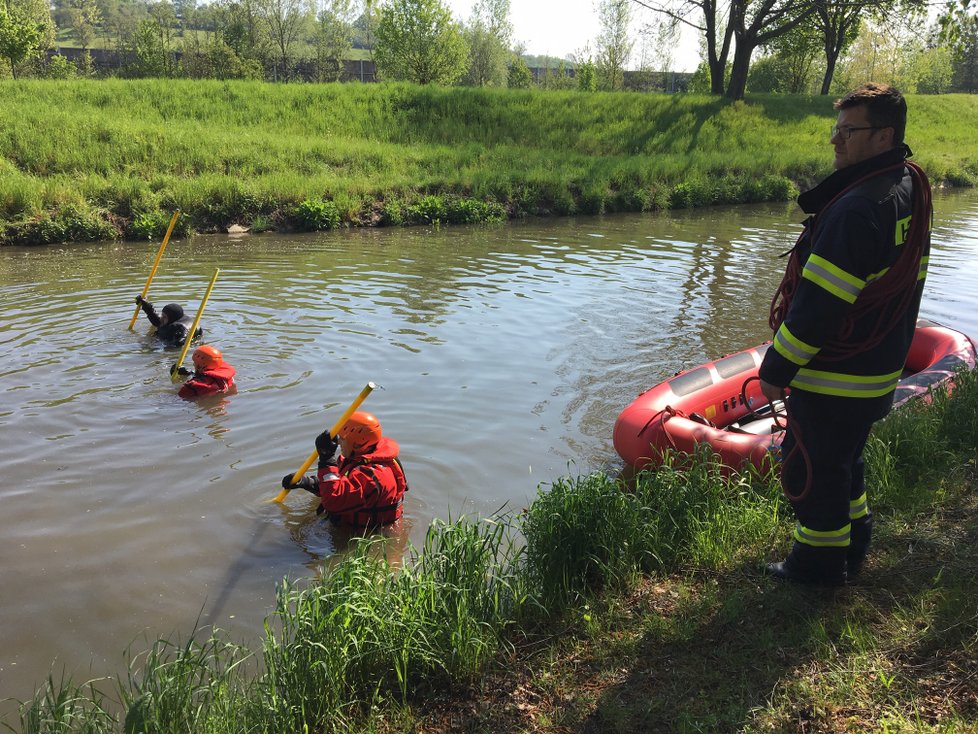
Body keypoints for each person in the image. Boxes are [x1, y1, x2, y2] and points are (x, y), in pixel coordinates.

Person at [759, 83, 932, 586]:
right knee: (844, 462)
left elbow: (817, 310)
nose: (836, 141)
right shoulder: (906, 185)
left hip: (837, 375)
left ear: (883, 136)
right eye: (836, 130)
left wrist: (776, 370)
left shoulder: (858, 208)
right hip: (878, 366)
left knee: (810, 470)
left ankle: (815, 569)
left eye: (847, 131)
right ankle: (855, 543)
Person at [281, 411, 408, 528]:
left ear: (358, 444)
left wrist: (326, 459)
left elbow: (333, 501)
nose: (338, 443)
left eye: (342, 439)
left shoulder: (374, 476)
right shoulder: (357, 457)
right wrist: (308, 483)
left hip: (369, 534)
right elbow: (338, 484)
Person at [134, 295, 201, 347]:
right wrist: (146, 305)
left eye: (164, 317)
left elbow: (178, 344)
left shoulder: (180, 328)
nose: (161, 318)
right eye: (162, 315)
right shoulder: (171, 320)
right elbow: (158, 321)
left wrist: (155, 343)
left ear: (172, 318)